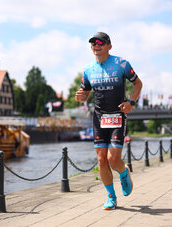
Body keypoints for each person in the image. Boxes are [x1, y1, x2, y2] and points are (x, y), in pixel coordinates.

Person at [75, 32, 142, 210]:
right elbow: (84, 94)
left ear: (109, 46)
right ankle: (111, 197)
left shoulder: (121, 64)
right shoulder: (88, 70)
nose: (96, 46)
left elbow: (138, 84)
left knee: (113, 159)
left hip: (117, 116)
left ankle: (123, 171)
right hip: (99, 117)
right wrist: (81, 97)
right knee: (101, 160)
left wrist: (131, 103)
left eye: (100, 43)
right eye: (92, 44)